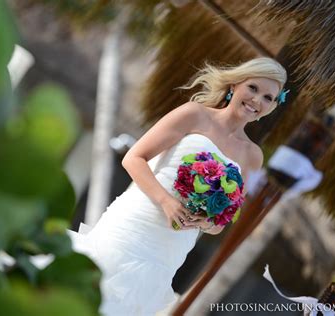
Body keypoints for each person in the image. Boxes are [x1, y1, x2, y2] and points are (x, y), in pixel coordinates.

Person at [68, 57, 287, 315]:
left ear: (272, 106)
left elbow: (221, 222)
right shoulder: (194, 115)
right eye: (253, 88)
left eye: (268, 97)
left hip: (171, 249)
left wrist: (205, 222)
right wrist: (166, 201)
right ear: (235, 85)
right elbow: (134, 158)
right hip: (135, 224)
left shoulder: (253, 156)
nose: (257, 100)